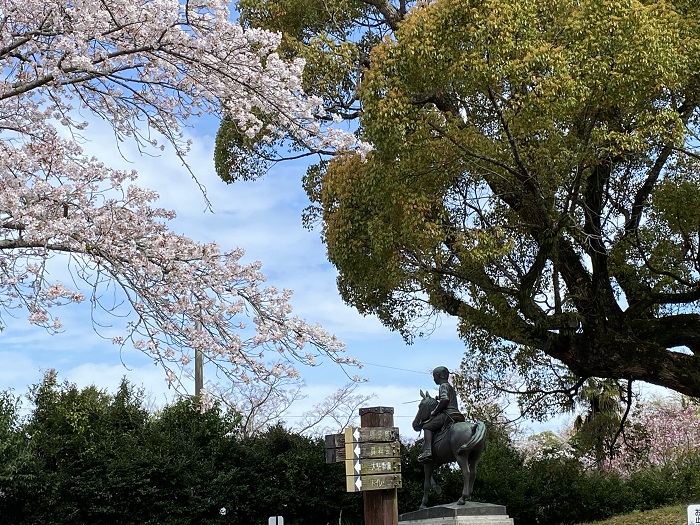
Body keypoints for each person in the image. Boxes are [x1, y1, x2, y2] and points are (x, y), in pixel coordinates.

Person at [418, 366, 465, 463]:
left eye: (434, 376)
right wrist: (438, 398)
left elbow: (445, 399)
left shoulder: (443, 386)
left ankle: (427, 451)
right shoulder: (449, 386)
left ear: (438, 376)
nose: (434, 378)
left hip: (447, 414)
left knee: (427, 426)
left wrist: (434, 411)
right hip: (456, 413)